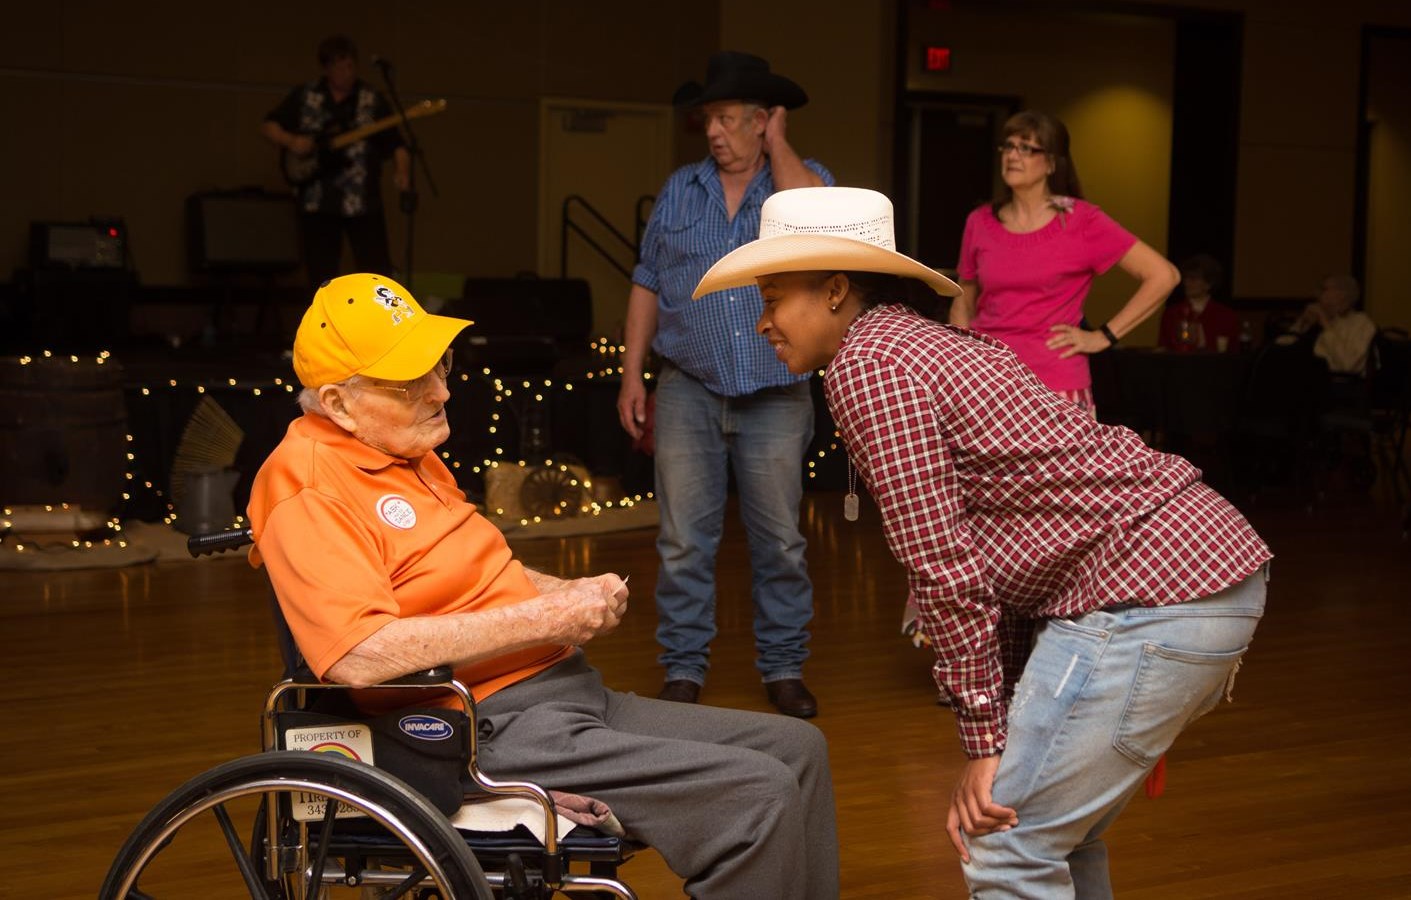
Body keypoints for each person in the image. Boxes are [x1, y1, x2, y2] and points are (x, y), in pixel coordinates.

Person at [696, 186, 1270, 898]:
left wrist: (984, 741)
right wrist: (1000, 717)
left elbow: (942, 564)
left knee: (1005, 844)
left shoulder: (869, 367)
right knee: (1054, 837)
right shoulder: (917, 341)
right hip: (1191, 572)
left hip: (1151, 593)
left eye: (774, 296)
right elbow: (1007, 544)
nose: (761, 322)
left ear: (836, 289)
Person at [247, 273, 839, 900]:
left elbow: (467, 573)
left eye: (439, 366)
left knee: (798, 749)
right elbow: (356, 655)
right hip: (484, 726)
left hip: (563, 693)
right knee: (754, 794)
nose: (440, 391)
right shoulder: (309, 486)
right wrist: (549, 620)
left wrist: (564, 590)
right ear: (338, 403)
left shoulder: (403, 450)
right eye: (409, 382)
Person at [615, 51, 833, 717]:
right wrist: (632, 376)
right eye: (709, 118)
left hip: (775, 392)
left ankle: (784, 669)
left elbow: (822, 224)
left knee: (780, 543)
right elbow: (647, 281)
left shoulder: (802, 184)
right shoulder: (681, 189)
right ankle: (683, 669)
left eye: (730, 118)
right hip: (687, 388)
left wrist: (781, 147)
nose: (713, 131)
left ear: (765, 121)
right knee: (683, 543)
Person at [947, 110, 1179, 415]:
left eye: (1027, 148)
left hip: (1056, 385)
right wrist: (962, 366)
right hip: (989, 383)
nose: (1013, 155)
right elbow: (964, 300)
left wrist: (1102, 337)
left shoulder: (1082, 220)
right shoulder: (979, 221)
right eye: (1008, 146)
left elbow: (1164, 276)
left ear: (1052, 163)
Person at [262, 34, 410, 288]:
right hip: (318, 199)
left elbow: (396, 142)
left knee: (376, 270)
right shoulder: (307, 96)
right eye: (339, 67)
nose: (346, 73)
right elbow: (269, 125)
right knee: (321, 271)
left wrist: (402, 172)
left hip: (362, 199)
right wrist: (292, 141)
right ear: (327, 68)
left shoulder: (371, 99)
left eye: (351, 66)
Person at [1277, 274, 1376, 375]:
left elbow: (1348, 364)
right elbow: (1279, 349)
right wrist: (1302, 323)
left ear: (1342, 294)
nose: (1316, 294)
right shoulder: (1314, 320)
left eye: (1323, 289)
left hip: (1338, 385)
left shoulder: (1361, 323)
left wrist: (1325, 323)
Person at [1157, 253, 1241, 353]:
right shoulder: (1171, 313)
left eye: (1193, 279)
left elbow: (1234, 352)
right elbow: (1163, 348)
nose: (1186, 283)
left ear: (1208, 284)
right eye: (1186, 278)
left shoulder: (1226, 316)